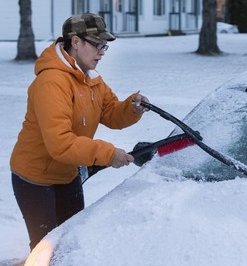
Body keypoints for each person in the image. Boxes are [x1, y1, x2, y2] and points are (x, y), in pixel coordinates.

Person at [10, 13, 149, 251]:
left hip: (68, 173)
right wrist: (107, 153)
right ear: (75, 42)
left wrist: (131, 108)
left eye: (104, 46)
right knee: (46, 250)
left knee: (70, 241)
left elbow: (112, 113)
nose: (102, 52)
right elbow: (60, 144)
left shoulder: (91, 78)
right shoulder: (52, 82)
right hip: (36, 179)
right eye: (97, 45)